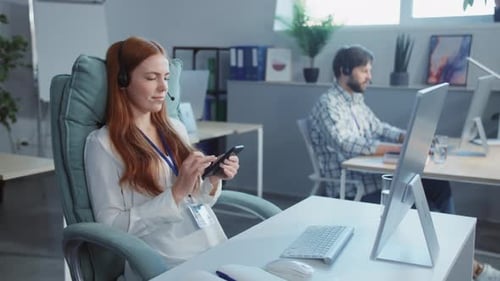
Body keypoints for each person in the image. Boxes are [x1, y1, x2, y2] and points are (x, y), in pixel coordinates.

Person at [308, 44, 500, 281]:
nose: (370, 77)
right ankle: (470, 268)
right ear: (344, 70)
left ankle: (456, 260)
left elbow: (379, 127)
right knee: (415, 203)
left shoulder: (354, 100)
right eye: (365, 71)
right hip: (353, 187)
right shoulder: (329, 104)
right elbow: (346, 143)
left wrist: (408, 136)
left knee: (437, 186)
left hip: (373, 178)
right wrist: (400, 149)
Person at [84, 36, 239, 280]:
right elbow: (110, 227)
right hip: (166, 262)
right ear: (123, 81)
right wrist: (176, 192)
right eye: (151, 78)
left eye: (166, 78)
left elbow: (196, 199)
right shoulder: (102, 144)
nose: (164, 88)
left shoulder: (174, 127)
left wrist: (213, 179)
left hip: (214, 247)